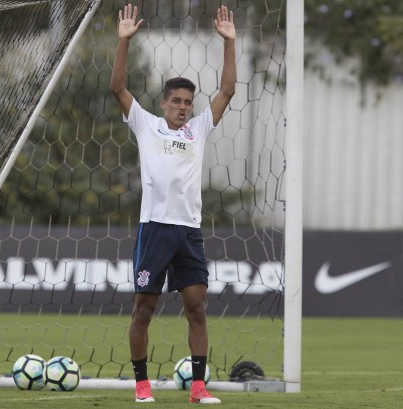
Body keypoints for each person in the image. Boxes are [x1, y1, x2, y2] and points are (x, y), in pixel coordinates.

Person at [111, 3, 236, 405]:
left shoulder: (199, 130)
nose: (184, 107)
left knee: (197, 308)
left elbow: (227, 91)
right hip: (155, 230)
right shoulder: (146, 125)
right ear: (164, 104)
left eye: (188, 102)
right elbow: (118, 88)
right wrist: (123, 41)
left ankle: (198, 389)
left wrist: (230, 44)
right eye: (177, 101)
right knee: (143, 310)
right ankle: (142, 386)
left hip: (189, 232)